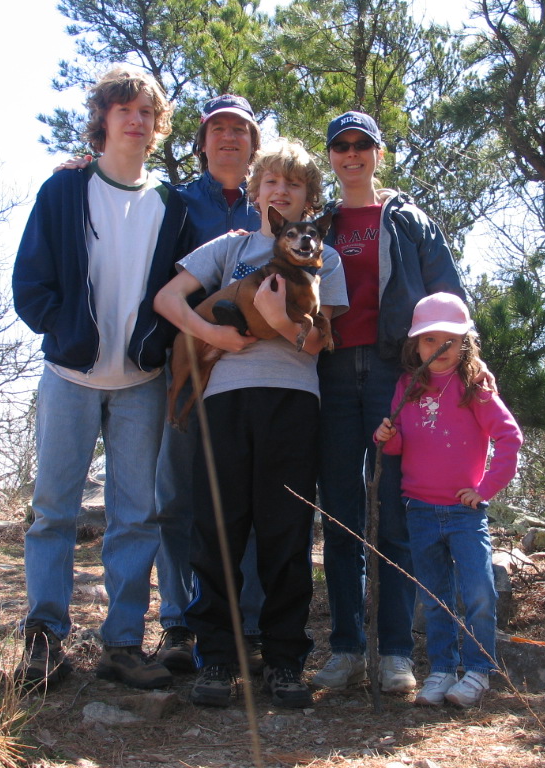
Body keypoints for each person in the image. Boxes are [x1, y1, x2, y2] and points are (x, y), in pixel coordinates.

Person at [12, 65, 191, 691]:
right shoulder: (63, 192)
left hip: (141, 381)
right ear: (105, 119)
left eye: (146, 111)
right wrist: (63, 330)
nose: (136, 120)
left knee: (136, 516)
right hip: (69, 374)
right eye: (124, 109)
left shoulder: (170, 205)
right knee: (53, 512)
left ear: (155, 124)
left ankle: (121, 644)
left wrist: (159, 347)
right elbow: (30, 281)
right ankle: (43, 642)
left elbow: (187, 288)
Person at [154, 139, 348, 708]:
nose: (280, 191)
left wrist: (273, 321)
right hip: (224, 400)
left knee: (286, 533)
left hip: (292, 400)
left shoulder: (323, 258)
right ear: (258, 193)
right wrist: (213, 334)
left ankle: (284, 661)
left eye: (293, 185)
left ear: (308, 200)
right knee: (218, 530)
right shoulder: (231, 246)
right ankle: (216, 658)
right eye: (271, 182)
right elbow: (169, 300)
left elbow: (317, 343)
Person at [314, 111, 466, 694]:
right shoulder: (319, 222)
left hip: (390, 376)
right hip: (328, 373)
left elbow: (447, 298)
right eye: (340, 146)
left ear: (379, 153)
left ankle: (396, 653)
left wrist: (453, 372)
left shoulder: (408, 221)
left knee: (396, 516)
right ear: (331, 156)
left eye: (362, 145)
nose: (351, 154)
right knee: (340, 511)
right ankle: (348, 647)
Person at [154, 94, 267, 674]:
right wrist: (81, 163)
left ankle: (244, 622)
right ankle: (177, 620)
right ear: (201, 143)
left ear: (254, 144)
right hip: (188, 367)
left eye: (240, 131)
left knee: (243, 498)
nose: (228, 138)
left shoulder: (270, 205)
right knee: (175, 495)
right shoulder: (172, 203)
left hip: (251, 375)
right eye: (217, 130)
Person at [374, 293, 523, 708]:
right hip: (418, 510)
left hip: (465, 513)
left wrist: (486, 488)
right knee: (434, 596)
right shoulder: (408, 385)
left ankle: (478, 671)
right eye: (428, 340)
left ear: (464, 344)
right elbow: (400, 445)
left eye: (449, 340)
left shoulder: (474, 386)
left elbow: (509, 437)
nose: (437, 348)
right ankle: (442, 669)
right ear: (415, 345)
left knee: (478, 592)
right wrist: (386, 437)